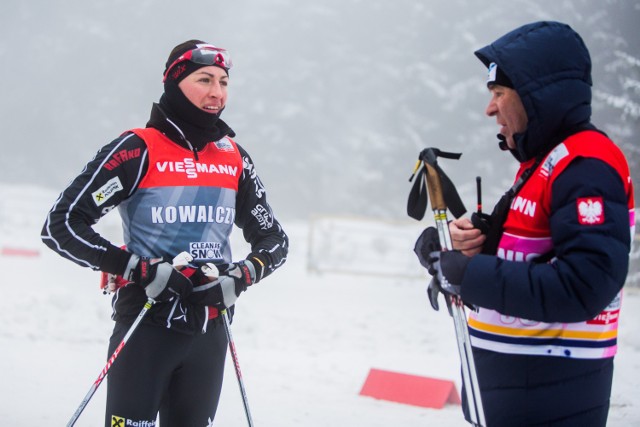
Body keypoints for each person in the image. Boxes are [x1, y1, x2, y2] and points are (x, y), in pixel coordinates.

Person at [41, 39, 289, 427]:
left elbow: (275, 240)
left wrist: (243, 273)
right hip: (147, 322)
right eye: (204, 79)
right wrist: (135, 267)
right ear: (174, 83)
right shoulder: (137, 148)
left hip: (209, 327)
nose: (216, 92)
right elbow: (62, 225)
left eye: (224, 82)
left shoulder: (233, 156)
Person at [414, 21, 635, 426]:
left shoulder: (585, 164)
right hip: (519, 405)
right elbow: (526, 264)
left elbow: (585, 284)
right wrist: (458, 250)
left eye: (499, 94)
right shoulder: (543, 166)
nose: (490, 108)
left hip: (552, 408)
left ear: (538, 96)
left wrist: (470, 274)